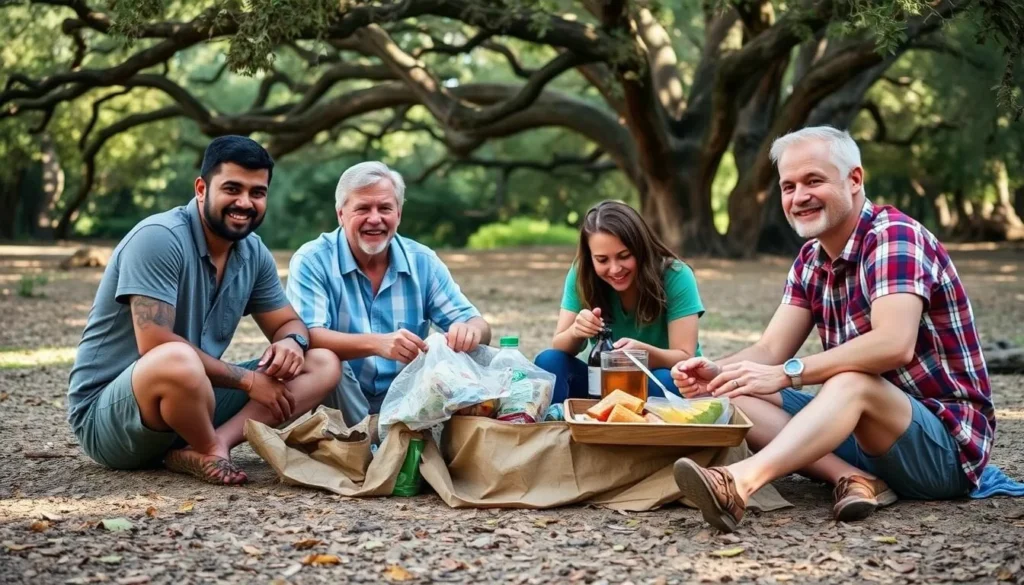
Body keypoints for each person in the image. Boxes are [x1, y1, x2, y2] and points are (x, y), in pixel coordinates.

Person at [671, 126, 995, 533]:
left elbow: (894, 345)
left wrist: (790, 373)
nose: (799, 197)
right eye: (788, 186)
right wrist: (715, 373)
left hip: (942, 450)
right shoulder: (811, 257)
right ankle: (855, 478)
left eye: (813, 181)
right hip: (863, 436)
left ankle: (739, 482)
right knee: (738, 393)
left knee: (852, 380)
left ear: (854, 179)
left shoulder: (895, 238)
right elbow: (772, 348)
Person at [67, 136, 342, 485]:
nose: (245, 202)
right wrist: (249, 380)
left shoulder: (252, 253)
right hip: (111, 421)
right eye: (232, 188)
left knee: (322, 361)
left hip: (192, 405)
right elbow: (155, 345)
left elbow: (289, 323)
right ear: (201, 188)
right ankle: (208, 445)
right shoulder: (159, 238)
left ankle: (212, 446)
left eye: (257, 193)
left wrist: (292, 343)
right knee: (176, 358)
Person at [286, 161, 491, 424]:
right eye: (362, 208)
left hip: (410, 397)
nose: (375, 218)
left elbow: (478, 324)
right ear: (341, 214)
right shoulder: (312, 260)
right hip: (341, 397)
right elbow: (307, 336)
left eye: (385, 208)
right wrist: (377, 343)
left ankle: (397, 439)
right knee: (323, 358)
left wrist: (470, 331)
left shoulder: (423, 261)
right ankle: (367, 439)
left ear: (399, 214)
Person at [535, 200, 705, 403]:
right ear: (590, 257)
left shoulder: (676, 275)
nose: (615, 269)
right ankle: (561, 427)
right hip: (600, 384)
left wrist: (643, 356)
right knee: (549, 361)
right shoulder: (581, 274)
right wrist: (576, 331)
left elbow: (685, 357)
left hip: (655, 381)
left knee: (669, 380)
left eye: (624, 256)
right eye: (602, 260)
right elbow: (559, 346)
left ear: (640, 248)